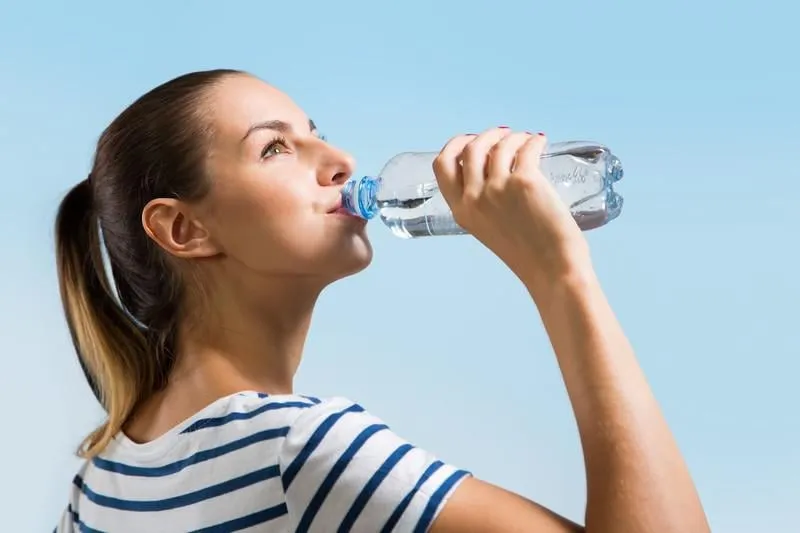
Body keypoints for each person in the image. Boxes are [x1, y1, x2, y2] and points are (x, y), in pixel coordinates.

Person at [53, 69, 709, 533]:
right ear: (183, 229)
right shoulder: (300, 451)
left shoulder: (101, 480)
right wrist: (562, 275)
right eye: (274, 148)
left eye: (317, 132)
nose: (339, 159)